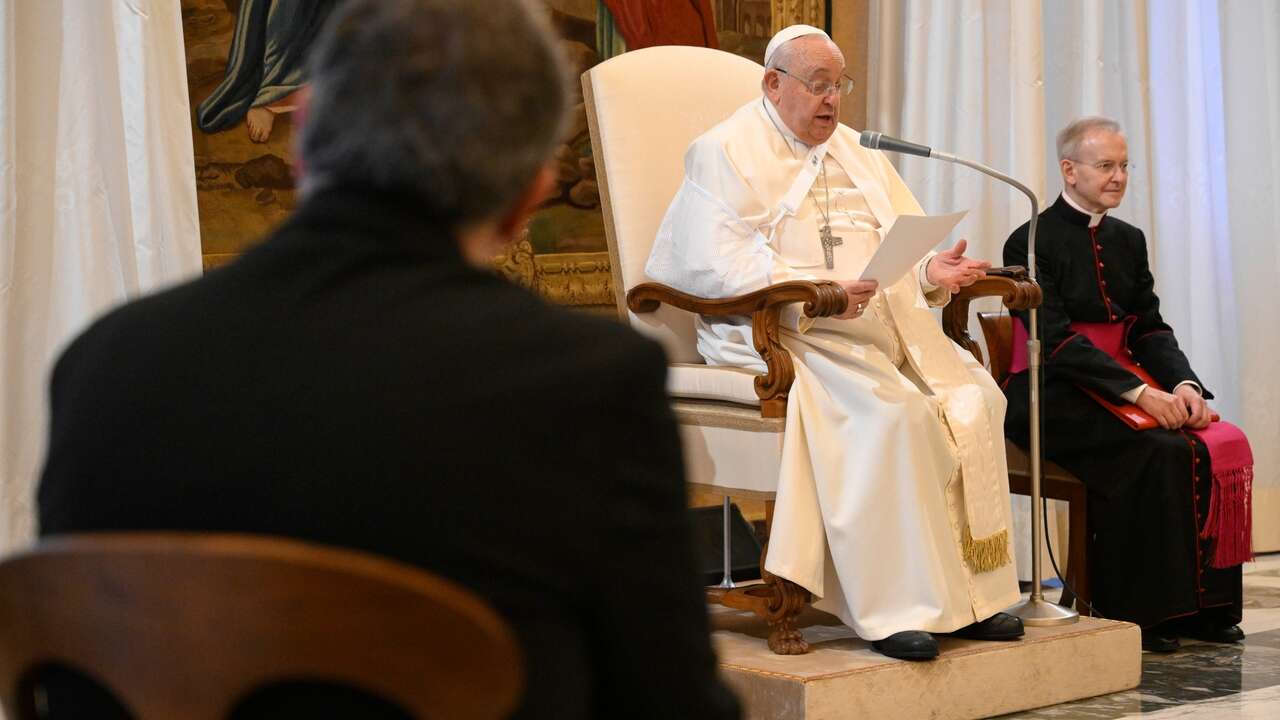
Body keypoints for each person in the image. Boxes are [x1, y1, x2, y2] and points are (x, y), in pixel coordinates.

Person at [36, 1, 741, 718]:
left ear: (301, 134)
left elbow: (71, 689)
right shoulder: (587, 387)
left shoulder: (105, 365)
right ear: (527, 195)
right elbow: (671, 702)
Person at [646, 24, 1024, 661]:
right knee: (892, 415)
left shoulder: (856, 148)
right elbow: (708, 264)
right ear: (773, 83)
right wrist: (815, 290)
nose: (831, 101)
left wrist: (932, 272)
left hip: (877, 327)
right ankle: (896, 608)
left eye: (838, 86)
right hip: (788, 332)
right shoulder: (724, 149)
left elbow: (902, 240)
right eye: (817, 85)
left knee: (975, 398)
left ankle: (970, 602)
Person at [1004, 117, 1252, 653]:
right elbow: (1055, 339)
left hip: (1120, 382)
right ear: (1069, 170)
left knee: (1207, 443)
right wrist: (1139, 394)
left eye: (1123, 166)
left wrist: (1183, 384)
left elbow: (1147, 326)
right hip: (1049, 392)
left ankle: (1205, 609)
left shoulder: (1127, 239)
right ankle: (1141, 612)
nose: (1118, 177)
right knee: (1154, 450)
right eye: (1105, 166)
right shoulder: (1029, 238)